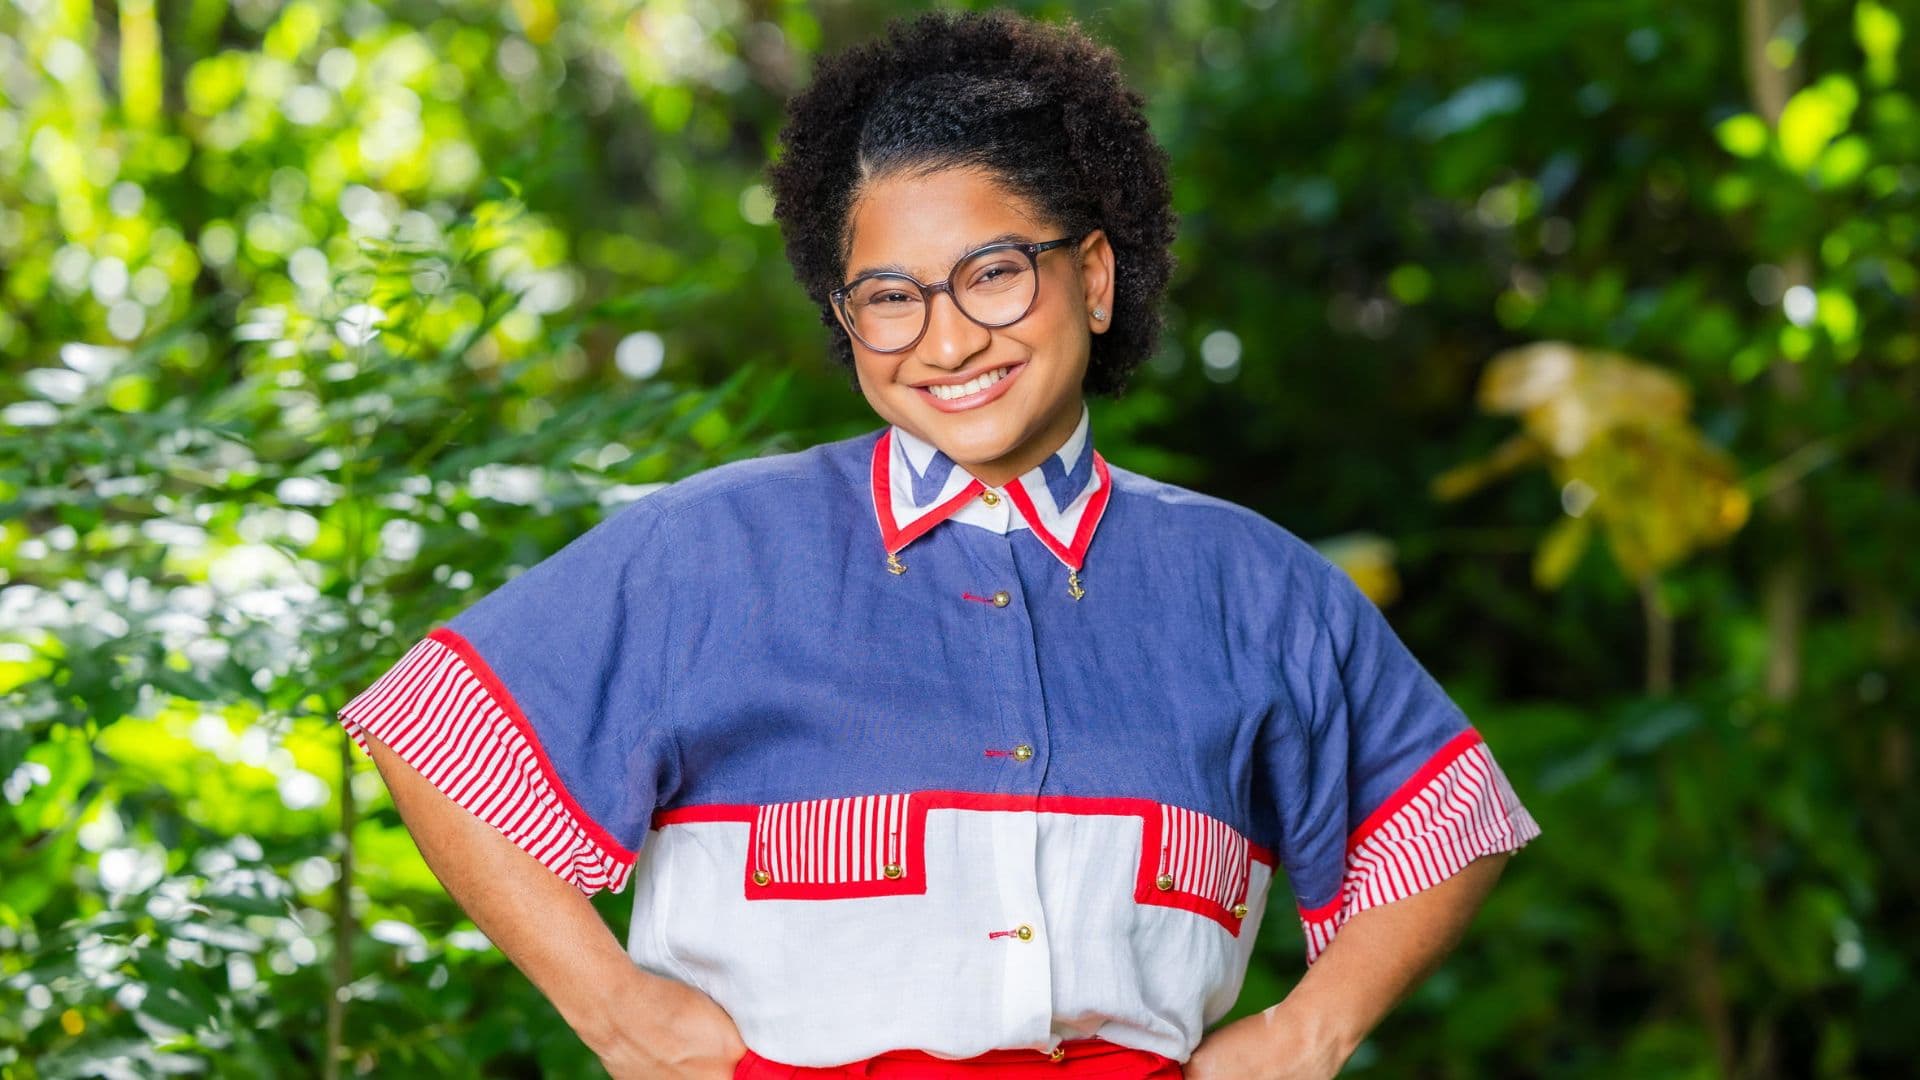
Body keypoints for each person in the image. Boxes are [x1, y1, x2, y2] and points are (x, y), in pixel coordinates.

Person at [336, 9, 1542, 1079]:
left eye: (994, 274)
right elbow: (433, 732)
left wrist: (1309, 1034)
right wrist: (614, 1013)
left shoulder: (1254, 586)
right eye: (890, 296)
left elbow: (1447, 821)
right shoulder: (708, 551)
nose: (948, 340)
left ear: (1096, 277)